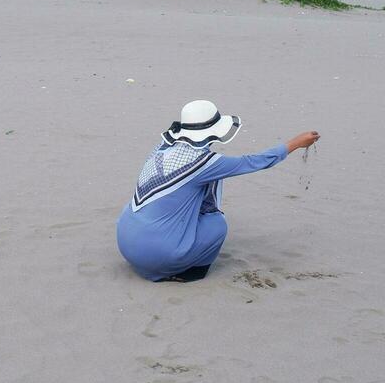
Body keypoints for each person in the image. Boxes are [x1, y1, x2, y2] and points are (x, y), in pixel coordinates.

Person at [116, 100, 319, 281]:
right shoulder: (205, 162)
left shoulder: (163, 147)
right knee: (216, 224)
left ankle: (162, 254)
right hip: (156, 255)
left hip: (126, 242)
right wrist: (295, 143)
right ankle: (191, 273)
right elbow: (255, 162)